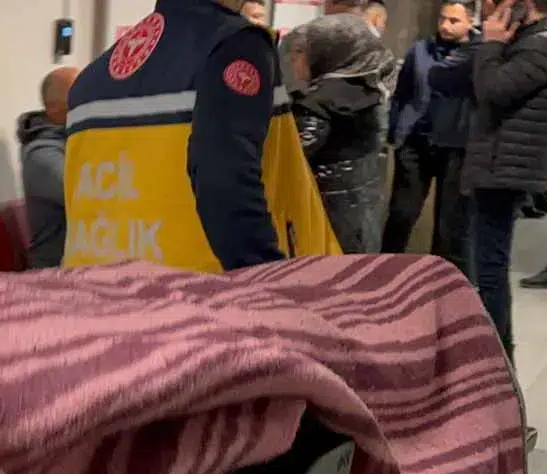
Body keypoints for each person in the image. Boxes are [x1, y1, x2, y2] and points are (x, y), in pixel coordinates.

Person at [61, 0, 342, 273]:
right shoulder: (234, 46)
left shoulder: (90, 81)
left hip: (98, 283)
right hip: (203, 287)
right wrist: (265, 276)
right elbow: (224, 174)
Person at [429, 0, 547, 362]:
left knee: (491, 268)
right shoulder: (524, 40)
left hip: (504, 168)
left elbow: (492, 90)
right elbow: (446, 78)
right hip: (497, 164)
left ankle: (498, 359)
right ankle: (494, 354)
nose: (489, 9)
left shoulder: (542, 44)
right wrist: (490, 45)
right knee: (488, 264)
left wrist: (493, 43)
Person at [381, 0, 478, 277]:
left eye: (454, 21)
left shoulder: (479, 54)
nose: (446, 26)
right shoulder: (420, 50)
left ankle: (441, 280)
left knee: (449, 222)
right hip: (416, 140)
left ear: (470, 22)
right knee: (402, 212)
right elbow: (403, 93)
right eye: (442, 19)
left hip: (456, 145)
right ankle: (384, 270)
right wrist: (395, 131)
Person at [289, 14, 395, 252]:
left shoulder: (318, 104)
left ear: (326, 54)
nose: (293, 58)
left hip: (325, 216)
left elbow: (291, 158)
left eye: (301, 51)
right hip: (363, 212)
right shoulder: (367, 91)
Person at [17, 66, 80, 268]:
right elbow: (88, 196)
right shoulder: (41, 155)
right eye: (79, 99)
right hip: (54, 274)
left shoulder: (76, 141)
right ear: (53, 109)